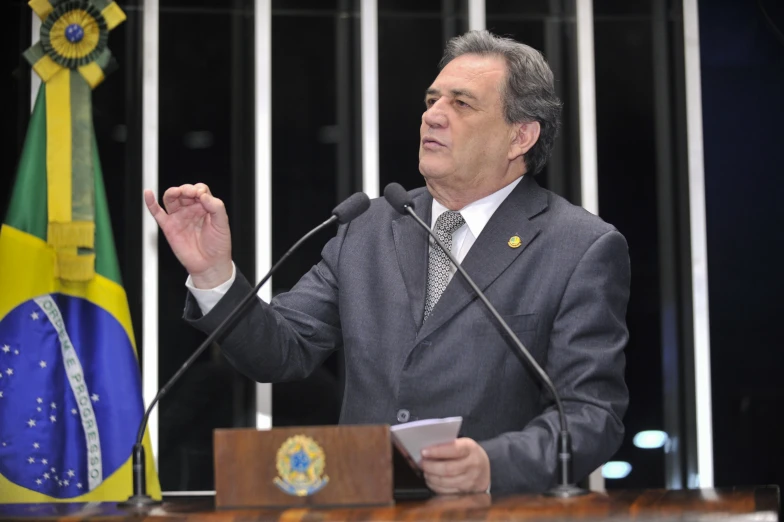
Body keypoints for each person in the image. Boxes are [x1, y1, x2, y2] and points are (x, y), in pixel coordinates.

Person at [144, 30, 630, 495]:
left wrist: (491, 464)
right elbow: (281, 351)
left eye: (461, 104)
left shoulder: (579, 247)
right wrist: (212, 273)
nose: (433, 116)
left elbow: (591, 414)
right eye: (432, 100)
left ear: (520, 137)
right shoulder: (371, 226)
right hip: (365, 507)